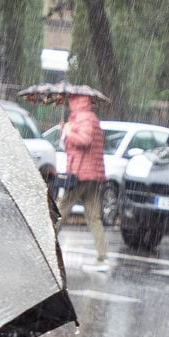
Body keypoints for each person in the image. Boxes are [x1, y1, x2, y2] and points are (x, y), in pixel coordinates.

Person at [58, 94, 109, 273]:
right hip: (93, 174)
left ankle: (44, 247)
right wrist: (65, 132)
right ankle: (102, 258)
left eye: (71, 100)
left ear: (75, 101)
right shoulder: (89, 118)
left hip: (81, 173)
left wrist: (69, 131)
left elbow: (84, 140)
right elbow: (72, 144)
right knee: (94, 216)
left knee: (60, 211)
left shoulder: (84, 118)